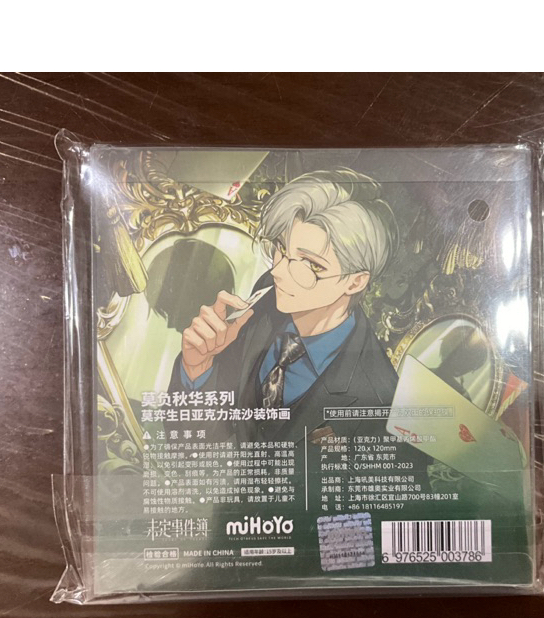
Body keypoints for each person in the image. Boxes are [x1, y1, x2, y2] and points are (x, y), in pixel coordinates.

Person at [168, 168, 406, 448]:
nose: (279, 271)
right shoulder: (269, 297)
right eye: (281, 248)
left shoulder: (381, 399)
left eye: (311, 264)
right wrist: (197, 368)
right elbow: (192, 440)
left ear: (355, 282)